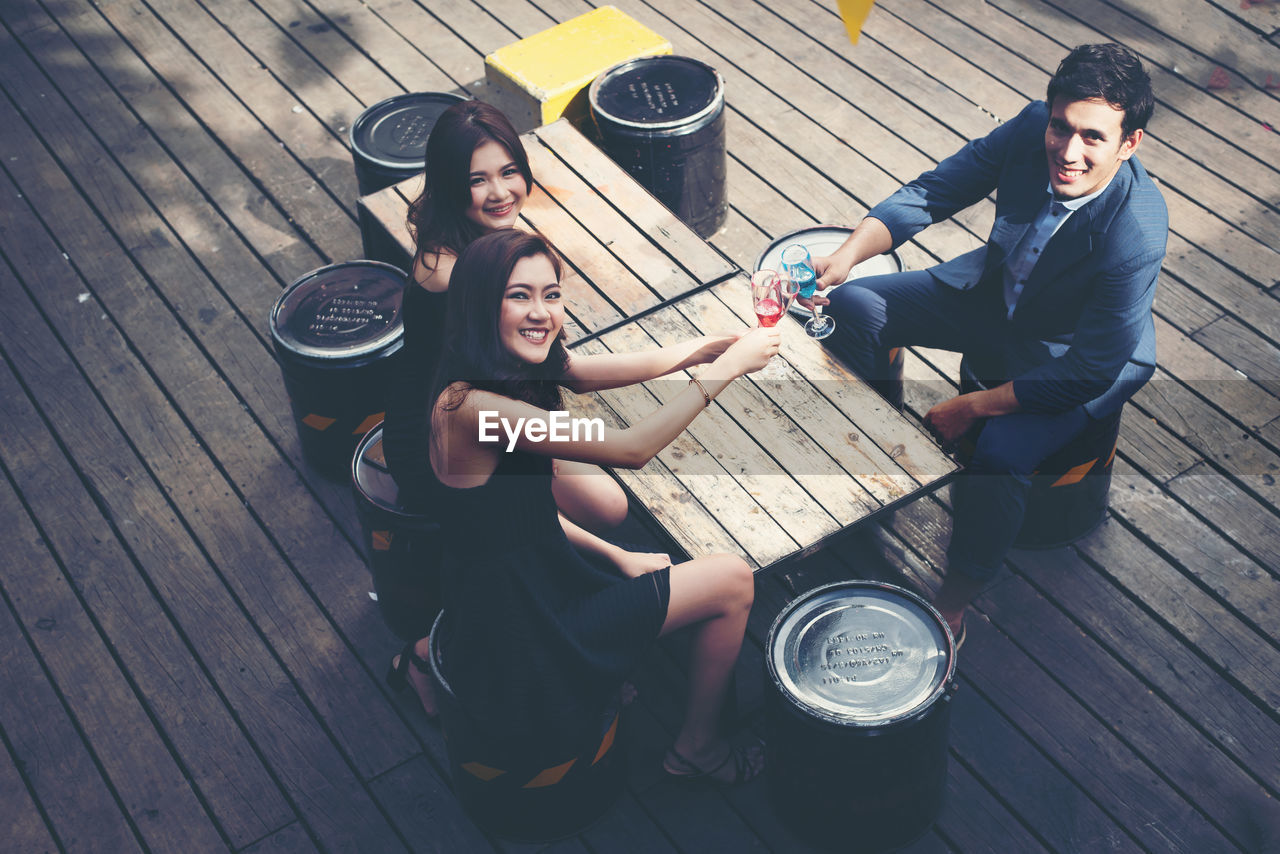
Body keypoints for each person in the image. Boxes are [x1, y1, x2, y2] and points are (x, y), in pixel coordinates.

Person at [809, 43, 1168, 645]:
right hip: (996, 293)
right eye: (1060, 127)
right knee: (855, 305)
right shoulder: (1033, 128)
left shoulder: (1137, 231)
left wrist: (969, 407)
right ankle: (875, 445)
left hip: (1074, 354)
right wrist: (850, 253)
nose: (1068, 152)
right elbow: (936, 190)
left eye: (1092, 138)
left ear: (1129, 143)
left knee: (1000, 453)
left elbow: (1091, 368)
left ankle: (955, 601)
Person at [424, 228, 777, 782]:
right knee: (734, 581)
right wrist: (722, 374)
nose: (541, 312)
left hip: (525, 588)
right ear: (478, 303)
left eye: (552, 293)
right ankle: (698, 749)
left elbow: (585, 375)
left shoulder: (499, 370)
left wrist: (698, 350)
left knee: (638, 553)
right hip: (528, 632)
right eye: (519, 295)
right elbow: (630, 448)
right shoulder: (473, 410)